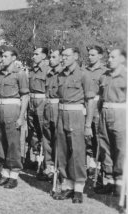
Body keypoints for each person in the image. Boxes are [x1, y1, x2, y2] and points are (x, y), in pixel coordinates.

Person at [51, 47, 95, 203]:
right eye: (62, 55)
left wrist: (88, 124)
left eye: (66, 56)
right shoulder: (60, 75)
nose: (63, 58)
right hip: (62, 116)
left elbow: (90, 101)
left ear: (76, 56)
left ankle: (78, 189)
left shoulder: (84, 75)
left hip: (77, 117)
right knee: (62, 152)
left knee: (77, 152)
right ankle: (67, 186)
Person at [0, 49, 29, 189]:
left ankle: (14, 176)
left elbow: (25, 96)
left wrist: (21, 117)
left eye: (6, 56)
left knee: (13, 144)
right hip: (0, 110)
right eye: (3, 57)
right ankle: (5, 174)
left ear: (14, 58)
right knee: (1, 144)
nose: (3, 59)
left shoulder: (20, 74)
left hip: (12, 110)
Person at [93, 48, 126, 195]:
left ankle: (120, 184)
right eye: (109, 57)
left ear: (122, 59)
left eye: (113, 57)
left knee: (120, 149)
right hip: (104, 113)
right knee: (105, 147)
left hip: (121, 114)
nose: (109, 60)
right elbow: (99, 97)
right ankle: (109, 181)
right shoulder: (104, 76)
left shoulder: (125, 76)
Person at [37, 49, 64, 181]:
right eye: (50, 57)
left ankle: (60, 169)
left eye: (54, 57)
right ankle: (49, 167)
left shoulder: (64, 74)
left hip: (58, 107)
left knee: (58, 139)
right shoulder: (49, 73)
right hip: (47, 106)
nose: (51, 59)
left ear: (61, 59)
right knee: (46, 138)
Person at [84, 45, 108, 178]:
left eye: (93, 55)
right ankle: (91, 165)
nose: (90, 57)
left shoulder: (105, 71)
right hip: (85, 107)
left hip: (98, 107)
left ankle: (101, 167)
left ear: (100, 56)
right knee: (88, 137)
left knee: (99, 137)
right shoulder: (84, 70)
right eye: (89, 55)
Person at [27, 47, 50, 169]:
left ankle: (45, 162)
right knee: (33, 131)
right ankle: (36, 159)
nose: (33, 56)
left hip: (42, 101)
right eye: (33, 54)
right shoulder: (31, 70)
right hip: (31, 102)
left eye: (36, 54)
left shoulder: (48, 70)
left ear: (44, 56)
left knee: (43, 131)